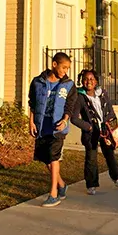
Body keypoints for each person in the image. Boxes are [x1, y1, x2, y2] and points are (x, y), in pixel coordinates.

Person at [28, 52, 77, 207]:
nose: (65, 71)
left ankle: (53, 194)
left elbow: (70, 105)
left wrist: (65, 120)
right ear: (54, 64)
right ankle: (62, 185)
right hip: (42, 125)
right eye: (63, 67)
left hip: (58, 127)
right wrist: (31, 122)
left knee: (54, 157)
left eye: (68, 68)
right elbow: (32, 103)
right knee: (46, 159)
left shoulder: (68, 84)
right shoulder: (37, 82)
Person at [71, 69, 118, 195]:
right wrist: (88, 127)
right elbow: (74, 118)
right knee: (91, 158)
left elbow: (110, 111)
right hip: (91, 133)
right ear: (82, 81)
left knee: (110, 155)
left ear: (96, 81)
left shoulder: (102, 93)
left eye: (91, 79)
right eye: (85, 79)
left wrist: (114, 130)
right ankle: (91, 184)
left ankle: (116, 177)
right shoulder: (80, 97)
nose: (88, 82)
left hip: (106, 130)